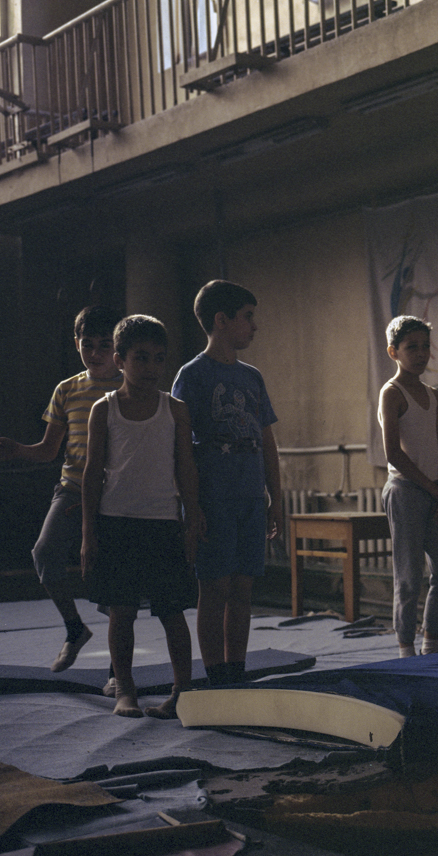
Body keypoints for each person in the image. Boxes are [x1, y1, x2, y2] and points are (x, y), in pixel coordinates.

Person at [0, 305, 123, 673]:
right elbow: (49, 450)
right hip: (72, 488)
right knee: (45, 552)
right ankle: (74, 629)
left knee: (112, 575)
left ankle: (117, 666)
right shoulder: (67, 389)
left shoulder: (129, 388)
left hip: (115, 494)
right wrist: (17, 449)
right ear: (76, 344)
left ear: (118, 346)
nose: (95, 354)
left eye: (104, 345)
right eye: (87, 344)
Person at [81, 316, 202, 718]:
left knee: (172, 612)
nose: (150, 367)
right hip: (116, 522)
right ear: (119, 360)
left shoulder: (175, 410)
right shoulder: (105, 410)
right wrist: (88, 532)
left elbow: (186, 466)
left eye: (158, 359)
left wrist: (192, 517)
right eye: (141, 358)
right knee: (122, 611)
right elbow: (92, 473)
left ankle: (182, 690)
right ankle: (126, 690)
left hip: (163, 523)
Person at [172, 280, 282, 687]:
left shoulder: (253, 378)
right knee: (214, 588)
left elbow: (268, 443)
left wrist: (277, 497)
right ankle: (214, 672)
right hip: (214, 499)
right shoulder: (192, 376)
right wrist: (191, 505)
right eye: (248, 317)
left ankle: (236, 670)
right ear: (221, 320)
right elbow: (181, 447)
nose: (255, 326)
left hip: (251, 497)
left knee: (243, 589)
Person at [378, 316, 438, 657]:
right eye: (412, 347)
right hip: (405, 491)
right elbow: (394, 453)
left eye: (426, 346)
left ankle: (431, 639)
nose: (421, 353)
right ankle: (405, 646)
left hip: (434, 490)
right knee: (409, 576)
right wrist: (432, 488)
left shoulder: (430, 393)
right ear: (394, 352)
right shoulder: (391, 393)